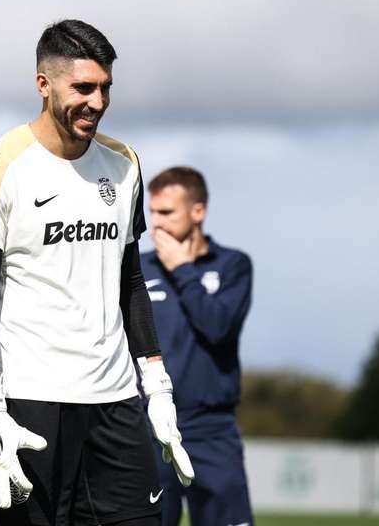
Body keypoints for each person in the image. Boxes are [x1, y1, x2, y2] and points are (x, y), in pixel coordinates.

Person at [0, 19, 194, 526]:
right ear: (44, 84)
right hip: (30, 402)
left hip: (116, 399)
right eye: (83, 87)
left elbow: (130, 282)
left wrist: (159, 386)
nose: (98, 102)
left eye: (105, 88)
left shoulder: (124, 163)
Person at [141, 167, 254, 526]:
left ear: (198, 211)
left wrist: (182, 269)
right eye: (152, 212)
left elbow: (218, 326)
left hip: (211, 428)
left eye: (167, 212)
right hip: (148, 428)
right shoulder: (136, 268)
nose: (155, 223)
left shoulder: (233, 265)